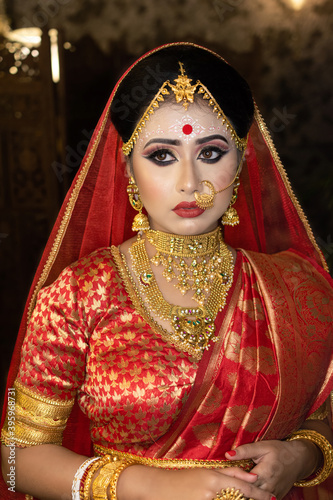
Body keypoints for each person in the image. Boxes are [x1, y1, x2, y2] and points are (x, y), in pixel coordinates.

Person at [1, 42, 332, 500]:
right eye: (162, 155)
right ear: (127, 167)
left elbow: (324, 415)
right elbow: (18, 459)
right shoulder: (77, 295)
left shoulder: (296, 287)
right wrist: (150, 485)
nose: (190, 183)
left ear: (242, 160)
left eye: (212, 153)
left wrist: (301, 455)